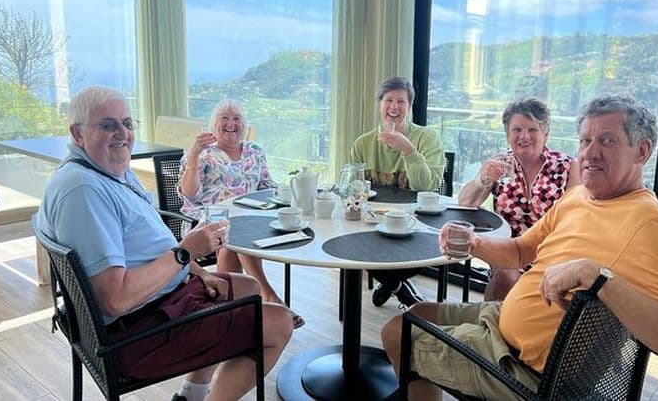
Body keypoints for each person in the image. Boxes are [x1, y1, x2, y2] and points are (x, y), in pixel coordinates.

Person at [381, 95, 658, 400]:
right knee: (418, 312)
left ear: (642, 151)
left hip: (520, 369)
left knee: (396, 332)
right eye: (585, 140)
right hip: (503, 321)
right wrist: (475, 244)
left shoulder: (648, 222)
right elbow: (521, 251)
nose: (590, 153)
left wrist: (596, 276)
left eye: (607, 140)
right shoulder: (581, 198)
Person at [34, 87, 293, 401]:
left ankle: (190, 395)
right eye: (108, 125)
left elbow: (155, 244)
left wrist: (200, 272)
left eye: (127, 123)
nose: (122, 133)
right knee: (278, 324)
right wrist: (186, 252)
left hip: (157, 303)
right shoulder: (83, 190)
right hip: (135, 335)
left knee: (247, 287)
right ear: (77, 133)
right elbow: (115, 300)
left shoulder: (110, 173)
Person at [177, 98, 304, 329]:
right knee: (236, 233)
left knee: (232, 245)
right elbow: (190, 194)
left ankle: (231, 312)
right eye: (224, 118)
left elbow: (267, 186)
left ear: (244, 124)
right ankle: (268, 295)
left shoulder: (255, 151)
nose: (231, 124)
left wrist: (291, 193)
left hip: (249, 219)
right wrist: (195, 153)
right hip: (207, 222)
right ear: (213, 124)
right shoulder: (203, 154)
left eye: (237, 118)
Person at [458, 98, 580, 300]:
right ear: (507, 135)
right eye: (517, 130)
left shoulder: (567, 166)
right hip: (508, 251)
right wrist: (484, 179)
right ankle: (491, 325)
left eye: (532, 129)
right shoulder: (499, 165)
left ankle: (515, 323)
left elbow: (577, 215)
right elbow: (466, 202)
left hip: (551, 252)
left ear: (545, 133)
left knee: (522, 281)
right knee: (505, 275)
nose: (524, 136)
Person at [350, 76, 445, 308]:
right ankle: (399, 288)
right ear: (380, 104)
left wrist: (407, 149)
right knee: (355, 248)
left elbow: (427, 186)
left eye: (401, 101)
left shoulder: (426, 138)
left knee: (417, 255)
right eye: (388, 100)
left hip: (415, 223)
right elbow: (353, 189)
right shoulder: (363, 143)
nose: (394, 107)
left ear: (409, 106)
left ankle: (390, 282)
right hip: (373, 223)